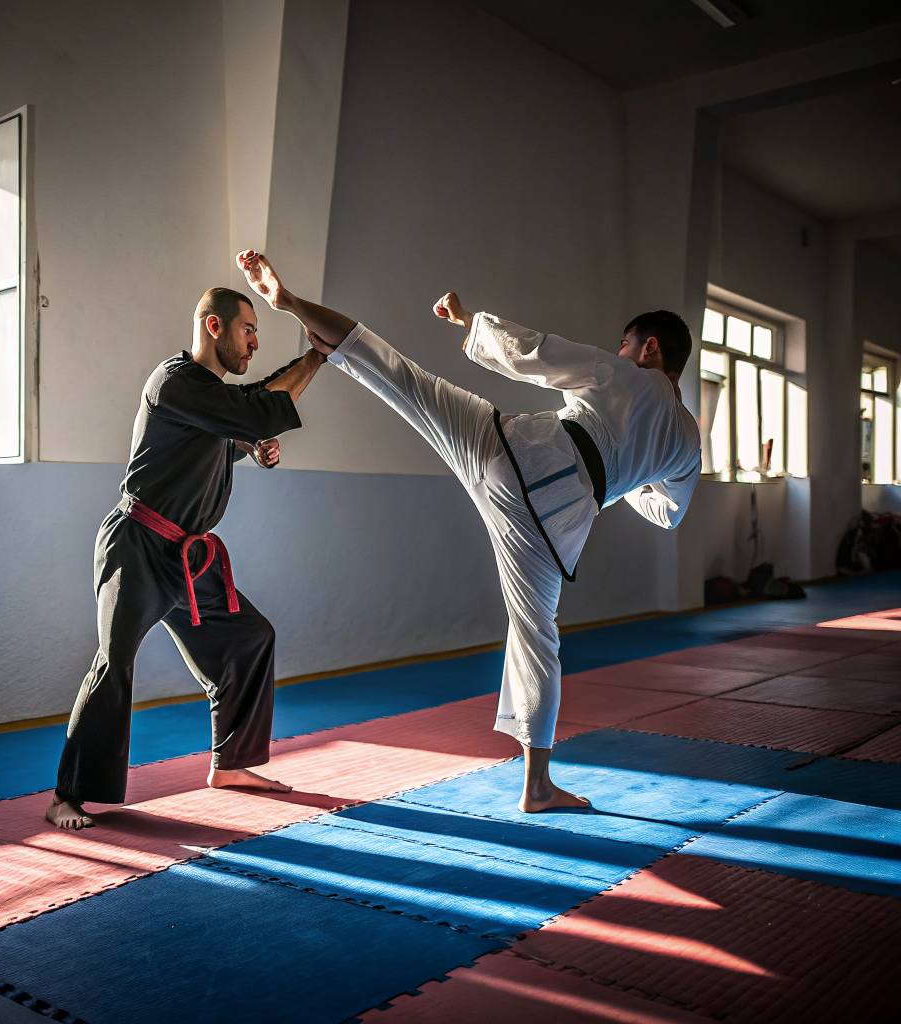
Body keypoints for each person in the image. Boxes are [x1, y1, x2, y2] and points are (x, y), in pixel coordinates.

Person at [237, 249, 701, 813]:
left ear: (648, 348)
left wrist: (469, 325)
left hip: (515, 456)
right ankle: (538, 786)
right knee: (537, 638)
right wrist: (627, 475)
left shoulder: (630, 376)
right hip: (558, 523)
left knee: (399, 376)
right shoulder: (686, 442)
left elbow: (539, 354)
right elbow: (669, 514)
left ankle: (291, 305)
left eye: (627, 344)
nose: (623, 351)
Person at [47, 286, 325, 829]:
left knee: (250, 637)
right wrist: (317, 355)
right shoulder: (175, 382)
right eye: (248, 330)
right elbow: (255, 408)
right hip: (138, 544)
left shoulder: (210, 399)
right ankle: (66, 795)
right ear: (214, 327)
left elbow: (228, 431)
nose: (254, 342)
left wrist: (250, 446)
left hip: (188, 558)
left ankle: (232, 764)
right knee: (114, 660)